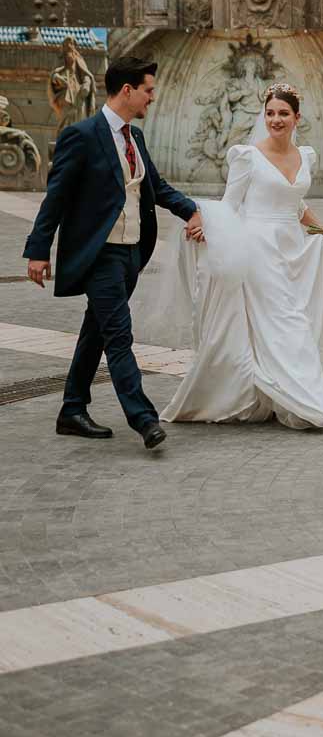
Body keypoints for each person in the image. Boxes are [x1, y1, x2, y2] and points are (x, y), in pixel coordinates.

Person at [23, 57, 203, 450]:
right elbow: (57, 197)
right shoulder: (82, 135)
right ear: (128, 90)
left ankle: (72, 409)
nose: (152, 97)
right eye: (148, 90)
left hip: (130, 254)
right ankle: (144, 419)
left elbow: (156, 186)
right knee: (119, 335)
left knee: (96, 333)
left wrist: (193, 210)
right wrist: (38, 251)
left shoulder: (134, 138)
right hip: (99, 255)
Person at [154, 83, 323, 430]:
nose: (276, 119)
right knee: (285, 322)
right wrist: (205, 224)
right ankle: (304, 400)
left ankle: (280, 395)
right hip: (258, 249)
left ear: (296, 118)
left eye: (283, 114)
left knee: (295, 318)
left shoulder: (306, 156)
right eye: (270, 113)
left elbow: (297, 205)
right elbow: (231, 205)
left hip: (294, 248)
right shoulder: (247, 156)